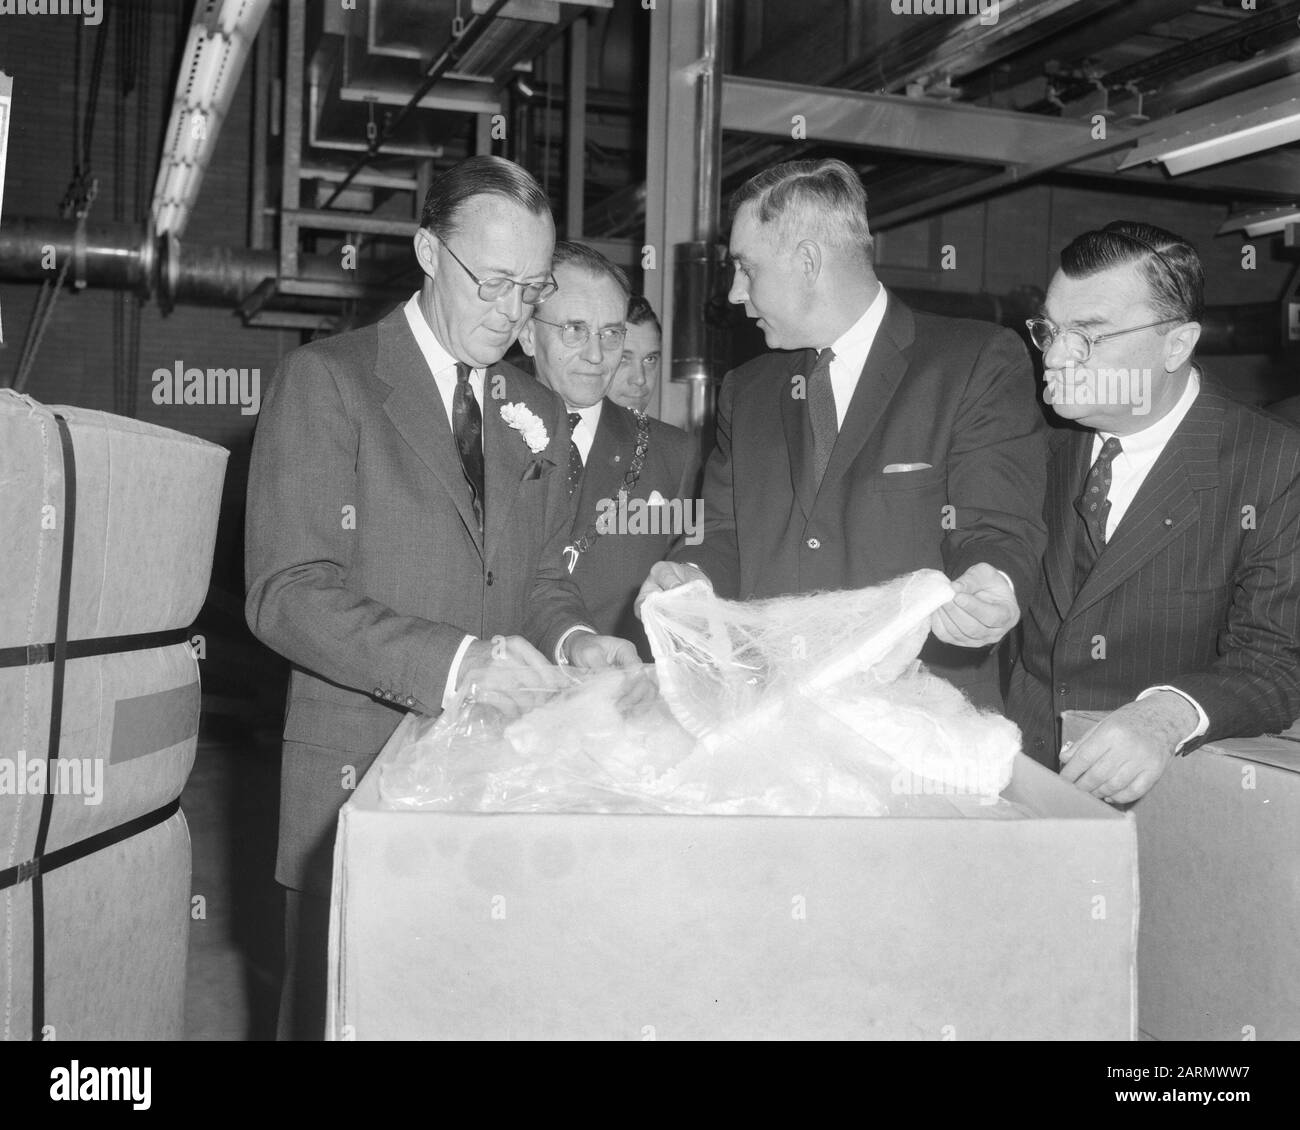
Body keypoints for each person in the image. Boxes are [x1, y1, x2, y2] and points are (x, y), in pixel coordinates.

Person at [245, 157, 637, 1039]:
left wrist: (574, 639)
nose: (511, 312)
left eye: (531, 288)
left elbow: (536, 576)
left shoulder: (532, 406)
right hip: (356, 782)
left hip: (496, 786)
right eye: (492, 282)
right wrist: (460, 664)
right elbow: (286, 595)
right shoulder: (330, 381)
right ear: (427, 250)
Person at [637, 158, 1048, 710]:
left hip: (923, 725)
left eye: (746, 268)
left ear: (808, 261)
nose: (735, 294)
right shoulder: (747, 390)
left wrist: (992, 584)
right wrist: (689, 577)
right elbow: (723, 533)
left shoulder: (974, 363)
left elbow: (996, 528)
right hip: (774, 718)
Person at [1005, 220, 1300, 803]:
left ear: (1177, 344)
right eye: (1050, 330)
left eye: (1090, 334)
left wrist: (1166, 716)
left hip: (1162, 805)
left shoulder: (1273, 464)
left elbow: (1277, 665)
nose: (1057, 357)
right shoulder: (1032, 437)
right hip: (1019, 779)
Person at [519, 242, 698, 659]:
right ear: (528, 334)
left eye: (611, 334)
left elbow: (691, 579)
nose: (598, 355)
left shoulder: (673, 455)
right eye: (575, 330)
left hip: (620, 699)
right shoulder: (479, 431)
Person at [608, 295, 662, 414]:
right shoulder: (562, 429)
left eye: (650, 359)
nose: (640, 379)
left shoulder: (665, 432)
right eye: (623, 358)